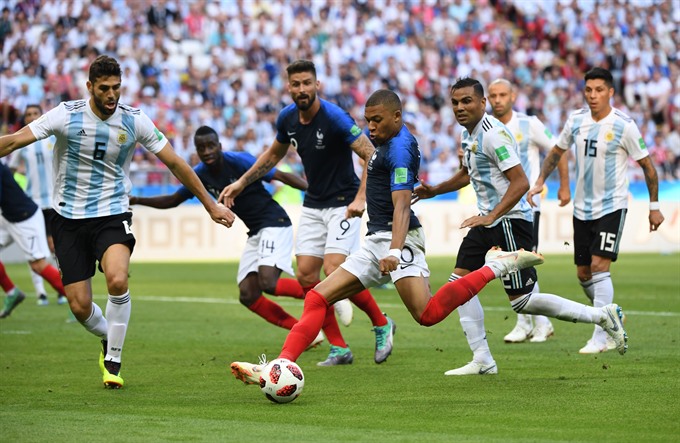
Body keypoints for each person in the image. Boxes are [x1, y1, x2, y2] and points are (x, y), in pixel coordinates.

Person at [229, 89, 553, 385]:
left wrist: (396, 251)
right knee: (316, 296)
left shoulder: (400, 149)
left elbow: (401, 206)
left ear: (396, 117)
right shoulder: (384, 141)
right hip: (376, 240)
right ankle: (280, 366)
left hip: (402, 240)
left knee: (426, 315)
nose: (370, 127)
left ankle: (494, 266)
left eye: (377, 120)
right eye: (368, 120)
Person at [0, 55, 235, 388]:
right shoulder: (66, 115)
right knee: (80, 306)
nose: (112, 95)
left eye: (117, 88)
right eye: (105, 89)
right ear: (90, 87)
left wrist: (210, 205)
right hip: (68, 217)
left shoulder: (133, 120)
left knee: (117, 279)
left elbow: (176, 163)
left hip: (112, 213)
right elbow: (12, 141)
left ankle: (114, 358)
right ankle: (107, 337)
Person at [414, 78, 628, 376]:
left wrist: (491, 216)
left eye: (466, 101)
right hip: (489, 220)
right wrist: (436, 190)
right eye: (455, 102)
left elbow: (520, 182)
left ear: (482, 103)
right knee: (458, 286)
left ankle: (602, 316)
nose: (460, 107)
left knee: (523, 302)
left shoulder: (493, 135)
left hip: (511, 221)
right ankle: (483, 359)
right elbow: (468, 173)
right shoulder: (469, 134)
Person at [220, 60, 394, 367]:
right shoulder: (287, 118)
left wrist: (360, 198)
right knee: (305, 277)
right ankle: (339, 347)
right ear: (288, 87)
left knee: (334, 269)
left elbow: (371, 154)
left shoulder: (336, 118)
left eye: (307, 83)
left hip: (343, 203)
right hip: (313, 203)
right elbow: (272, 156)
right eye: (296, 84)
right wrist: (241, 182)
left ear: (317, 85)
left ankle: (381, 323)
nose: (302, 89)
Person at [130, 125, 325, 347]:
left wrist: (316, 194)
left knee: (268, 282)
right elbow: (173, 200)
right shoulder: (200, 174)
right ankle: (306, 333)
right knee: (248, 294)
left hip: (275, 222)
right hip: (255, 231)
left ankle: (325, 293)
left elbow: (279, 175)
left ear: (219, 146)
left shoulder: (239, 161)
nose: (207, 152)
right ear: (196, 151)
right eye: (201, 148)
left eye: (211, 146)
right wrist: (136, 200)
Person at [527, 67, 664, 354]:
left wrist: (654, 207)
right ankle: (612, 314)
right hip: (582, 208)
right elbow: (556, 151)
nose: (593, 95)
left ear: (611, 92)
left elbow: (648, 167)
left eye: (599, 90)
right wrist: (540, 181)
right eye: (588, 90)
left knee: (601, 267)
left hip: (612, 206)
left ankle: (601, 337)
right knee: (584, 274)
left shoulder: (624, 125)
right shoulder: (576, 120)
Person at [487, 79, 570, 343]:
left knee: (520, 261)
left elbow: (558, 150)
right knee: (508, 262)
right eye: (493, 96)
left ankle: (534, 323)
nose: (498, 100)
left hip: (525, 206)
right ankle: (532, 323)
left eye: (502, 94)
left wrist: (562, 185)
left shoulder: (528, 124)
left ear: (513, 96)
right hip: (497, 208)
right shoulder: (486, 127)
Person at [8, 104, 65, 306]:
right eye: (28, 114)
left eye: (35, 114)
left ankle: (61, 290)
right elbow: (11, 169)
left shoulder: (52, 138)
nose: (32, 117)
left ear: (41, 116)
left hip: (54, 200)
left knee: (54, 247)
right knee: (37, 250)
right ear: (24, 119)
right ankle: (41, 292)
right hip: (32, 203)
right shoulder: (22, 142)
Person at [0, 162, 67, 316]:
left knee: (38, 265)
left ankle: (76, 299)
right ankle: (12, 292)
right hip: (7, 217)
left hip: (25, 218)